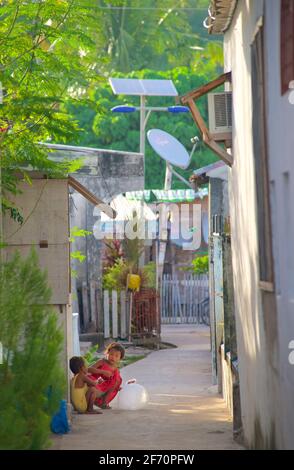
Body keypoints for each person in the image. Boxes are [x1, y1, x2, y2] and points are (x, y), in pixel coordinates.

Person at [88, 342, 124, 409]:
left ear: (120, 358)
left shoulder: (116, 370)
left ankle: (104, 402)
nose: (113, 357)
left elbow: (114, 382)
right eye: (111, 354)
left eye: (116, 356)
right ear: (107, 353)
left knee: (117, 377)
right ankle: (99, 400)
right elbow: (88, 369)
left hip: (105, 389)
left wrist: (117, 387)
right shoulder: (102, 362)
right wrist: (102, 371)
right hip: (96, 383)